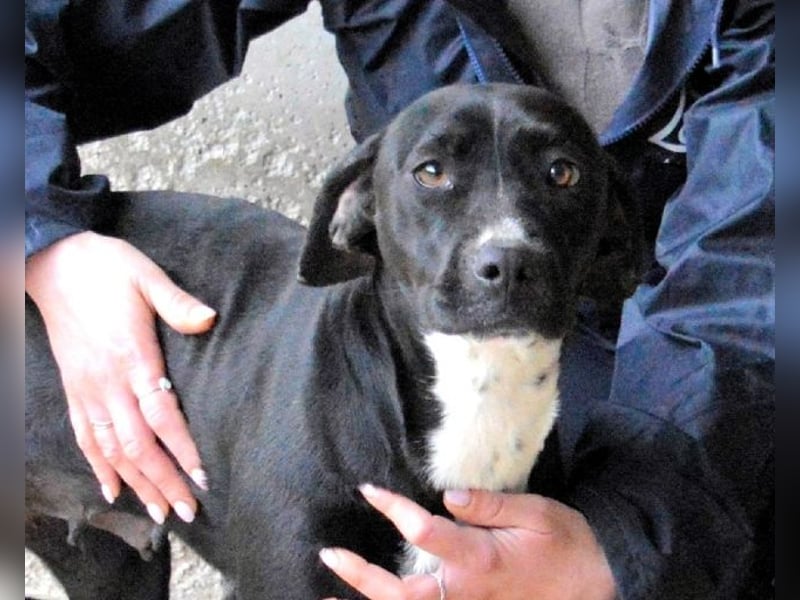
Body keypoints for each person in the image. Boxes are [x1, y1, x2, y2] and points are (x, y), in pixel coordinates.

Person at [25, 0, 774, 598]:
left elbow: (755, 278)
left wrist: (621, 540)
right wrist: (43, 240)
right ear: (351, 214)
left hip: (670, 373)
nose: (501, 245)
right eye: (434, 172)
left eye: (560, 176)